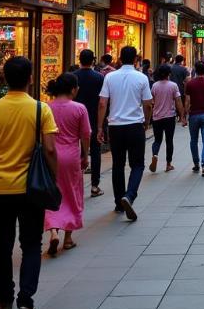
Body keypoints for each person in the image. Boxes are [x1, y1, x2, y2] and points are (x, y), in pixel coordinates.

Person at [0, 55, 58, 309]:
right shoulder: (40, 110)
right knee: (31, 245)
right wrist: (54, 178)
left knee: (1, 245)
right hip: (30, 189)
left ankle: (4, 302)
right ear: (31, 78)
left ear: (4, 79)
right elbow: (49, 150)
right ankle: (26, 304)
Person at [97, 46, 153, 221]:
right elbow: (148, 103)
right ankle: (129, 196)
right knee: (137, 164)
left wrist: (100, 127)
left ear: (119, 58)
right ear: (136, 59)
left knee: (118, 164)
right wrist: (146, 122)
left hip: (116, 127)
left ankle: (118, 202)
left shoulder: (110, 77)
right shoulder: (141, 78)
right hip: (135, 125)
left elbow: (102, 103)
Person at [44, 73, 91, 256]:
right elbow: (85, 134)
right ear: (73, 89)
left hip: (50, 155)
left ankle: (53, 230)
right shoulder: (79, 109)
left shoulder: (46, 107)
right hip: (71, 156)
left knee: (50, 192)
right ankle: (68, 238)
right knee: (72, 193)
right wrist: (85, 154)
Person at [73, 49, 105, 197]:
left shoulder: (73, 77)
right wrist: (101, 124)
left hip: (74, 119)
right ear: (93, 60)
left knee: (75, 150)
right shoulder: (99, 77)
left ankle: (76, 184)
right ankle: (94, 185)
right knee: (96, 151)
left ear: (80, 60)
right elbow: (102, 102)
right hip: (93, 118)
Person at [149, 65, 185, 173]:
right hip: (169, 117)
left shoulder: (155, 86)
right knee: (169, 141)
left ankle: (155, 155)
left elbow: (151, 101)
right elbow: (178, 101)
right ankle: (168, 164)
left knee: (157, 140)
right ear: (169, 74)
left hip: (157, 117)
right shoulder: (173, 86)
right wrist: (182, 116)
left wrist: (149, 117)